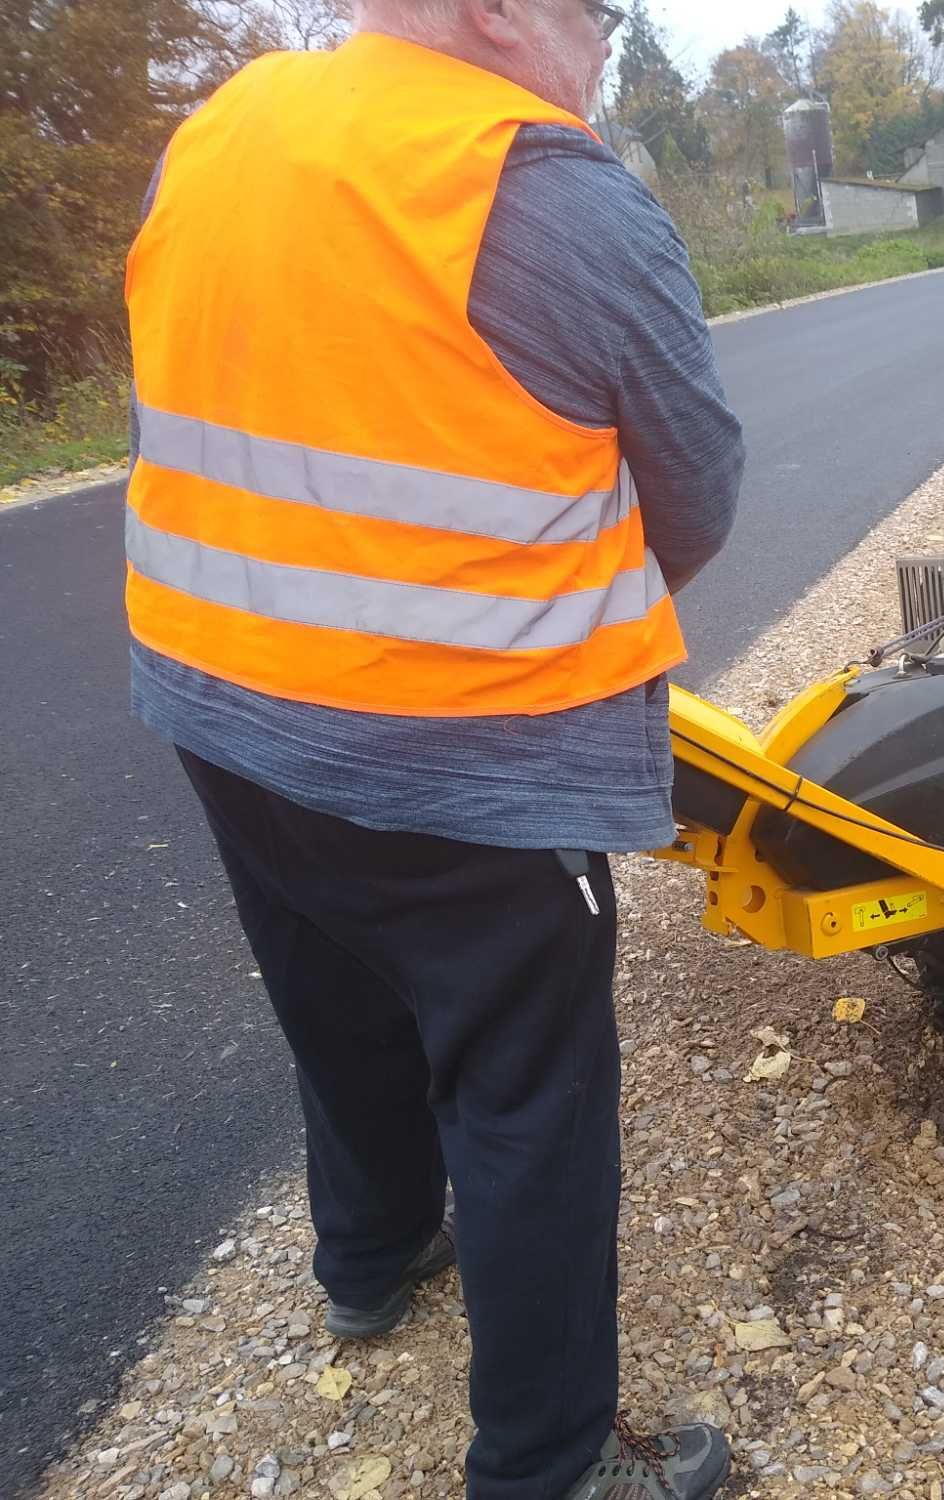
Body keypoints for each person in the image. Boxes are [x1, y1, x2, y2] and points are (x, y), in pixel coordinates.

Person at [122, 0, 742, 1494]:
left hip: (217, 699)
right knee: (528, 1095)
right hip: (469, 763)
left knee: (333, 999)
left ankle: (370, 1260)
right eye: (593, 12)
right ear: (494, 9)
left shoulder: (226, 129)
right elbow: (699, 496)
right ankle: (546, 1466)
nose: (603, 41)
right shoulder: (551, 199)